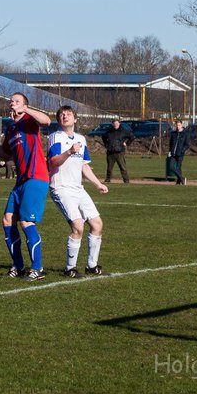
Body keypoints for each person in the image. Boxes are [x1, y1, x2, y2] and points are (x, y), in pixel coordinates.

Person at [0, 92, 52, 280]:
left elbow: (46, 121)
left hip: (36, 177)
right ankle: (18, 267)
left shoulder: (29, 119)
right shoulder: (11, 129)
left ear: (24, 105)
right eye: (12, 100)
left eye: (17, 101)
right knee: (7, 220)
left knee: (26, 221)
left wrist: (25, 109)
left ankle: (38, 269)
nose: (13, 102)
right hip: (21, 181)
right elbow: (5, 155)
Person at [48, 106, 108, 277]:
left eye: (68, 114)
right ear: (59, 120)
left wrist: (97, 184)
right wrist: (69, 151)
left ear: (75, 119)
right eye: (61, 114)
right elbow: (54, 161)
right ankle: (70, 269)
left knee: (97, 224)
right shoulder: (55, 137)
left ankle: (92, 266)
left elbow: (84, 165)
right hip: (61, 188)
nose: (64, 116)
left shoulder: (81, 139)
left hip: (78, 189)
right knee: (78, 226)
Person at [102, 116, 133, 184]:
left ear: (119, 123)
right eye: (114, 123)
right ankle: (107, 180)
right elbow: (103, 137)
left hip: (120, 152)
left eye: (117, 123)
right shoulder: (109, 131)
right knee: (109, 168)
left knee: (122, 167)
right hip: (110, 152)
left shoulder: (124, 131)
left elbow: (131, 137)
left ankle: (126, 181)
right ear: (112, 124)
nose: (115, 124)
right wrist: (106, 144)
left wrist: (126, 143)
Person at [167, 119, 189, 185]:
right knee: (171, 167)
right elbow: (170, 143)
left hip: (180, 154)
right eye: (177, 125)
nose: (178, 126)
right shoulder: (173, 134)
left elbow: (187, 144)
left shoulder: (185, 134)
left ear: (181, 125)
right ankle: (182, 179)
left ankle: (179, 182)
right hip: (173, 154)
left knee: (178, 168)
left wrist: (182, 150)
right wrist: (170, 151)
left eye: (179, 125)